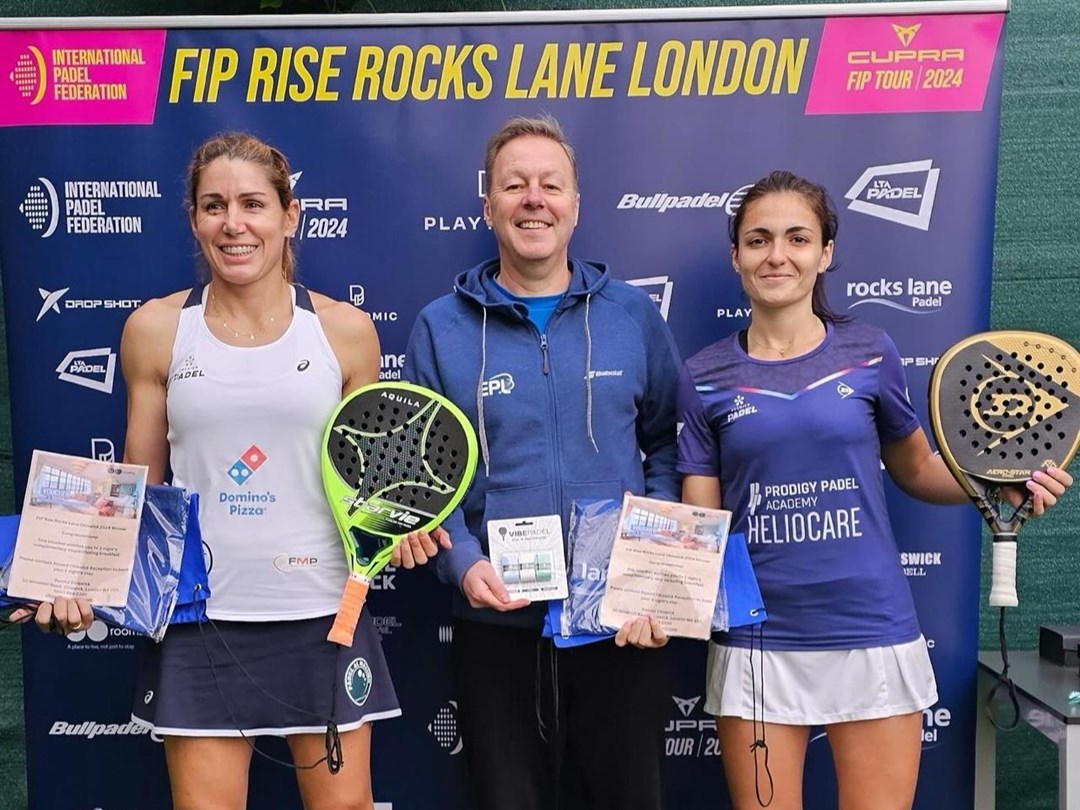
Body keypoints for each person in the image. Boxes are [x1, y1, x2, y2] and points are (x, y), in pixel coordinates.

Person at [24, 132, 445, 810]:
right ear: (193, 219)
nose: (234, 223)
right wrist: (74, 584)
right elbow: (138, 494)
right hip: (200, 623)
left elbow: (373, 486)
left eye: (253, 203)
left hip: (323, 620)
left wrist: (402, 528)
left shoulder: (346, 332)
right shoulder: (155, 331)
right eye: (214, 205)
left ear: (289, 215)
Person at [677, 170, 1073, 810]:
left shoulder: (870, 351)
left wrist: (999, 488)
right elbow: (701, 523)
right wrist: (659, 590)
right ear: (736, 256)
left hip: (870, 626)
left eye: (797, 238)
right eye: (758, 240)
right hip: (757, 639)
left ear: (825, 252)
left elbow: (916, 467)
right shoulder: (702, 375)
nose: (777, 255)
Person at [400, 114, 682, 810]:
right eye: (515, 185)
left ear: (576, 205)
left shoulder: (631, 316)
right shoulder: (441, 327)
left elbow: (670, 446)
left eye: (550, 185)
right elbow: (423, 479)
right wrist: (461, 561)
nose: (534, 199)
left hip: (619, 628)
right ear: (488, 204)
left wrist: (653, 574)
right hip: (497, 628)